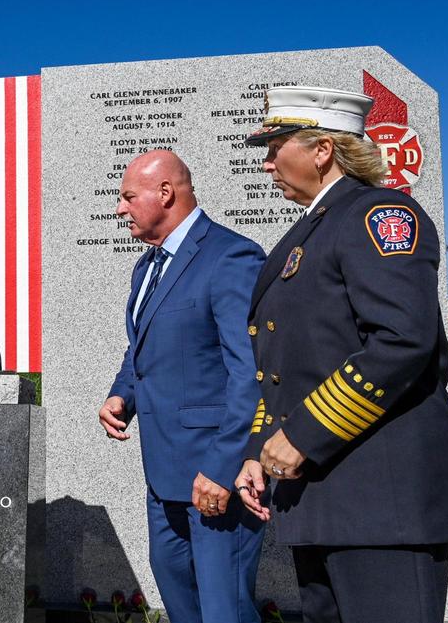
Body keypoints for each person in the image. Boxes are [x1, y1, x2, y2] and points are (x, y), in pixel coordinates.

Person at [233, 86, 448, 623]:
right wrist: (258, 449)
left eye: (275, 145)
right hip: (322, 495)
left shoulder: (378, 215)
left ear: (322, 150)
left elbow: (401, 341)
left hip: (381, 497)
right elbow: (283, 368)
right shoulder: (312, 231)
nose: (266, 161)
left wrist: (300, 435)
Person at [99, 150, 266, 623]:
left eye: (129, 197)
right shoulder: (147, 266)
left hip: (216, 477)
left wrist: (222, 464)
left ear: (165, 193)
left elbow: (250, 371)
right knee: (181, 602)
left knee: (224, 612)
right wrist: (122, 394)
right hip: (163, 476)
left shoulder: (231, 256)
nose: (120, 208)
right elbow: (143, 347)